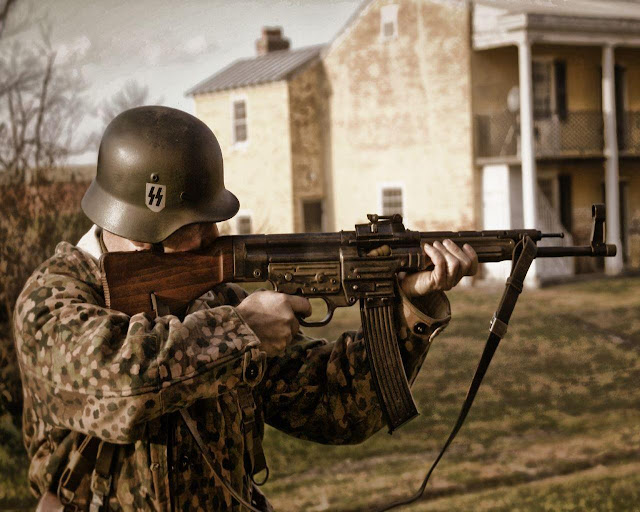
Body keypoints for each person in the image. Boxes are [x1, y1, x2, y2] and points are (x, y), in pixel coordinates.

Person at [14, 106, 478, 512]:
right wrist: (240, 332)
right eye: (198, 225)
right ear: (143, 230)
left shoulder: (215, 301)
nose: (216, 234)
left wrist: (406, 311)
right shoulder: (52, 301)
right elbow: (123, 383)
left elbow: (336, 406)